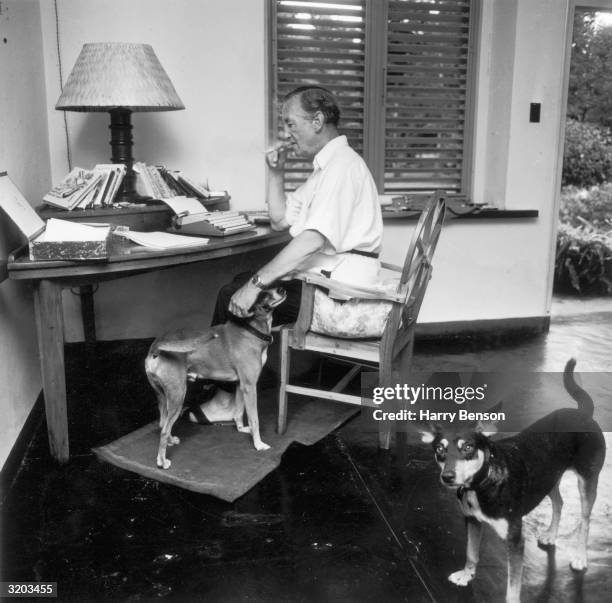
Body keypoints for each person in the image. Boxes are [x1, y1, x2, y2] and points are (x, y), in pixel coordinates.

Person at [186, 85, 383, 424]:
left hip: (340, 295)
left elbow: (310, 240)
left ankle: (224, 399)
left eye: (291, 124)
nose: (287, 134)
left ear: (317, 120)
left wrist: (255, 284)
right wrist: (276, 172)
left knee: (235, 292)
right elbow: (280, 219)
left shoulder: (341, 168)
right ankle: (230, 389)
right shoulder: (328, 167)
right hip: (329, 279)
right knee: (237, 285)